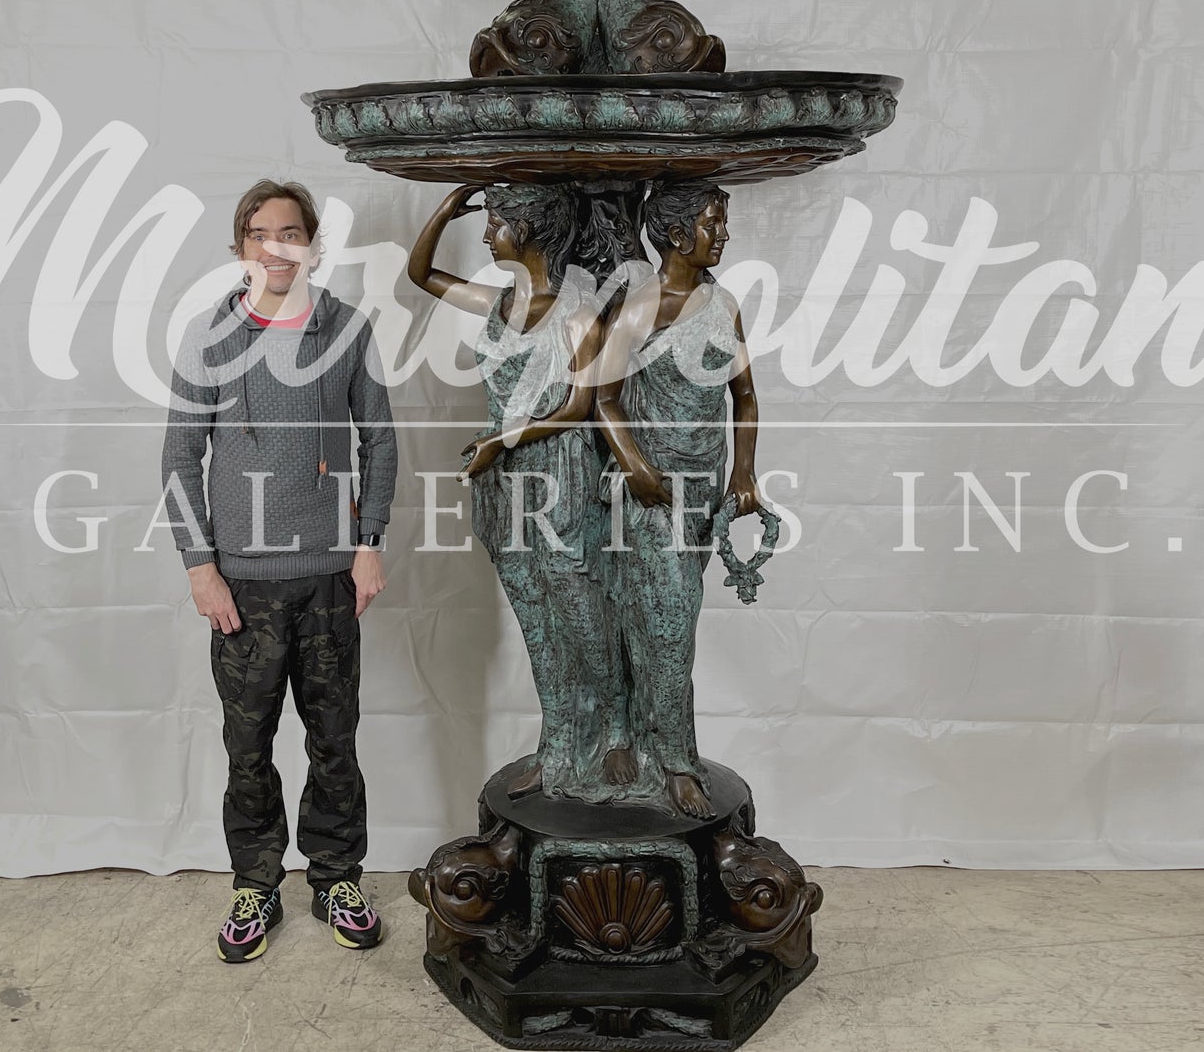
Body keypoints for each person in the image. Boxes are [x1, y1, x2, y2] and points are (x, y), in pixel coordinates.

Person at [161, 179, 397, 962]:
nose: (277, 247)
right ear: (241, 247)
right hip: (242, 584)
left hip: (330, 575)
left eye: (291, 232)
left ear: (310, 244)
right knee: (247, 745)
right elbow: (178, 456)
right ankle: (254, 886)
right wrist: (200, 566)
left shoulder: (347, 329)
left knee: (336, 739)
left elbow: (382, 441)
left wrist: (369, 541)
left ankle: (335, 876)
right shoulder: (207, 336)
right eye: (261, 234)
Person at [408, 183, 634, 800]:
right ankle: (557, 740)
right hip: (500, 480)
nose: (487, 235)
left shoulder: (577, 314)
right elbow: (420, 272)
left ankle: (615, 729)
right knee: (535, 617)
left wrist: (504, 438)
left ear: (528, 229)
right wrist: (445, 209)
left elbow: (581, 405)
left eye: (496, 223)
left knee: (583, 610)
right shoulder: (495, 302)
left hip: (558, 471)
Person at [595, 180, 762, 819]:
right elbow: (603, 398)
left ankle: (632, 737)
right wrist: (634, 465)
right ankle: (675, 761)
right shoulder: (640, 307)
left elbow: (744, 396)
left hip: (702, 489)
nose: (723, 234)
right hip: (651, 493)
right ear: (673, 232)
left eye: (722, 223)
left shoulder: (722, 304)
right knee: (668, 628)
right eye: (713, 223)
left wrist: (743, 475)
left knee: (664, 621)